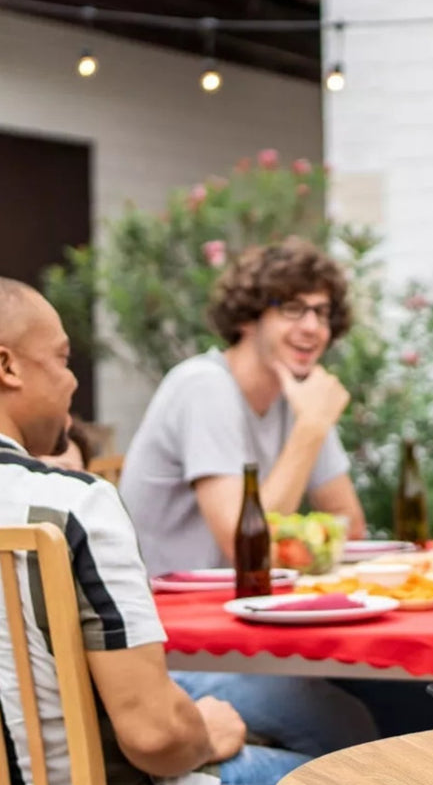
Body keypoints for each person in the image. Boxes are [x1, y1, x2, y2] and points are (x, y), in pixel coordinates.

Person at [0, 277, 326, 785]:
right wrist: (208, 732)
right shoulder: (71, 506)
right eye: (62, 359)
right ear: (7, 366)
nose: (71, 384)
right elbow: (154, 735)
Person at [119, 238, 377, 756]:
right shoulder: (203, 387)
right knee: (350, 729)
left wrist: (309, 424)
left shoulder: (300, 398)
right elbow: (247, 547)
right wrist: (310, 427)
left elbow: (351, 528)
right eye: (293, 308)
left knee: (407, 697)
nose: (313, 327)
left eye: (323, 313)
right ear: (248, 318)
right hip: (180, 651)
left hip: (259, 637)